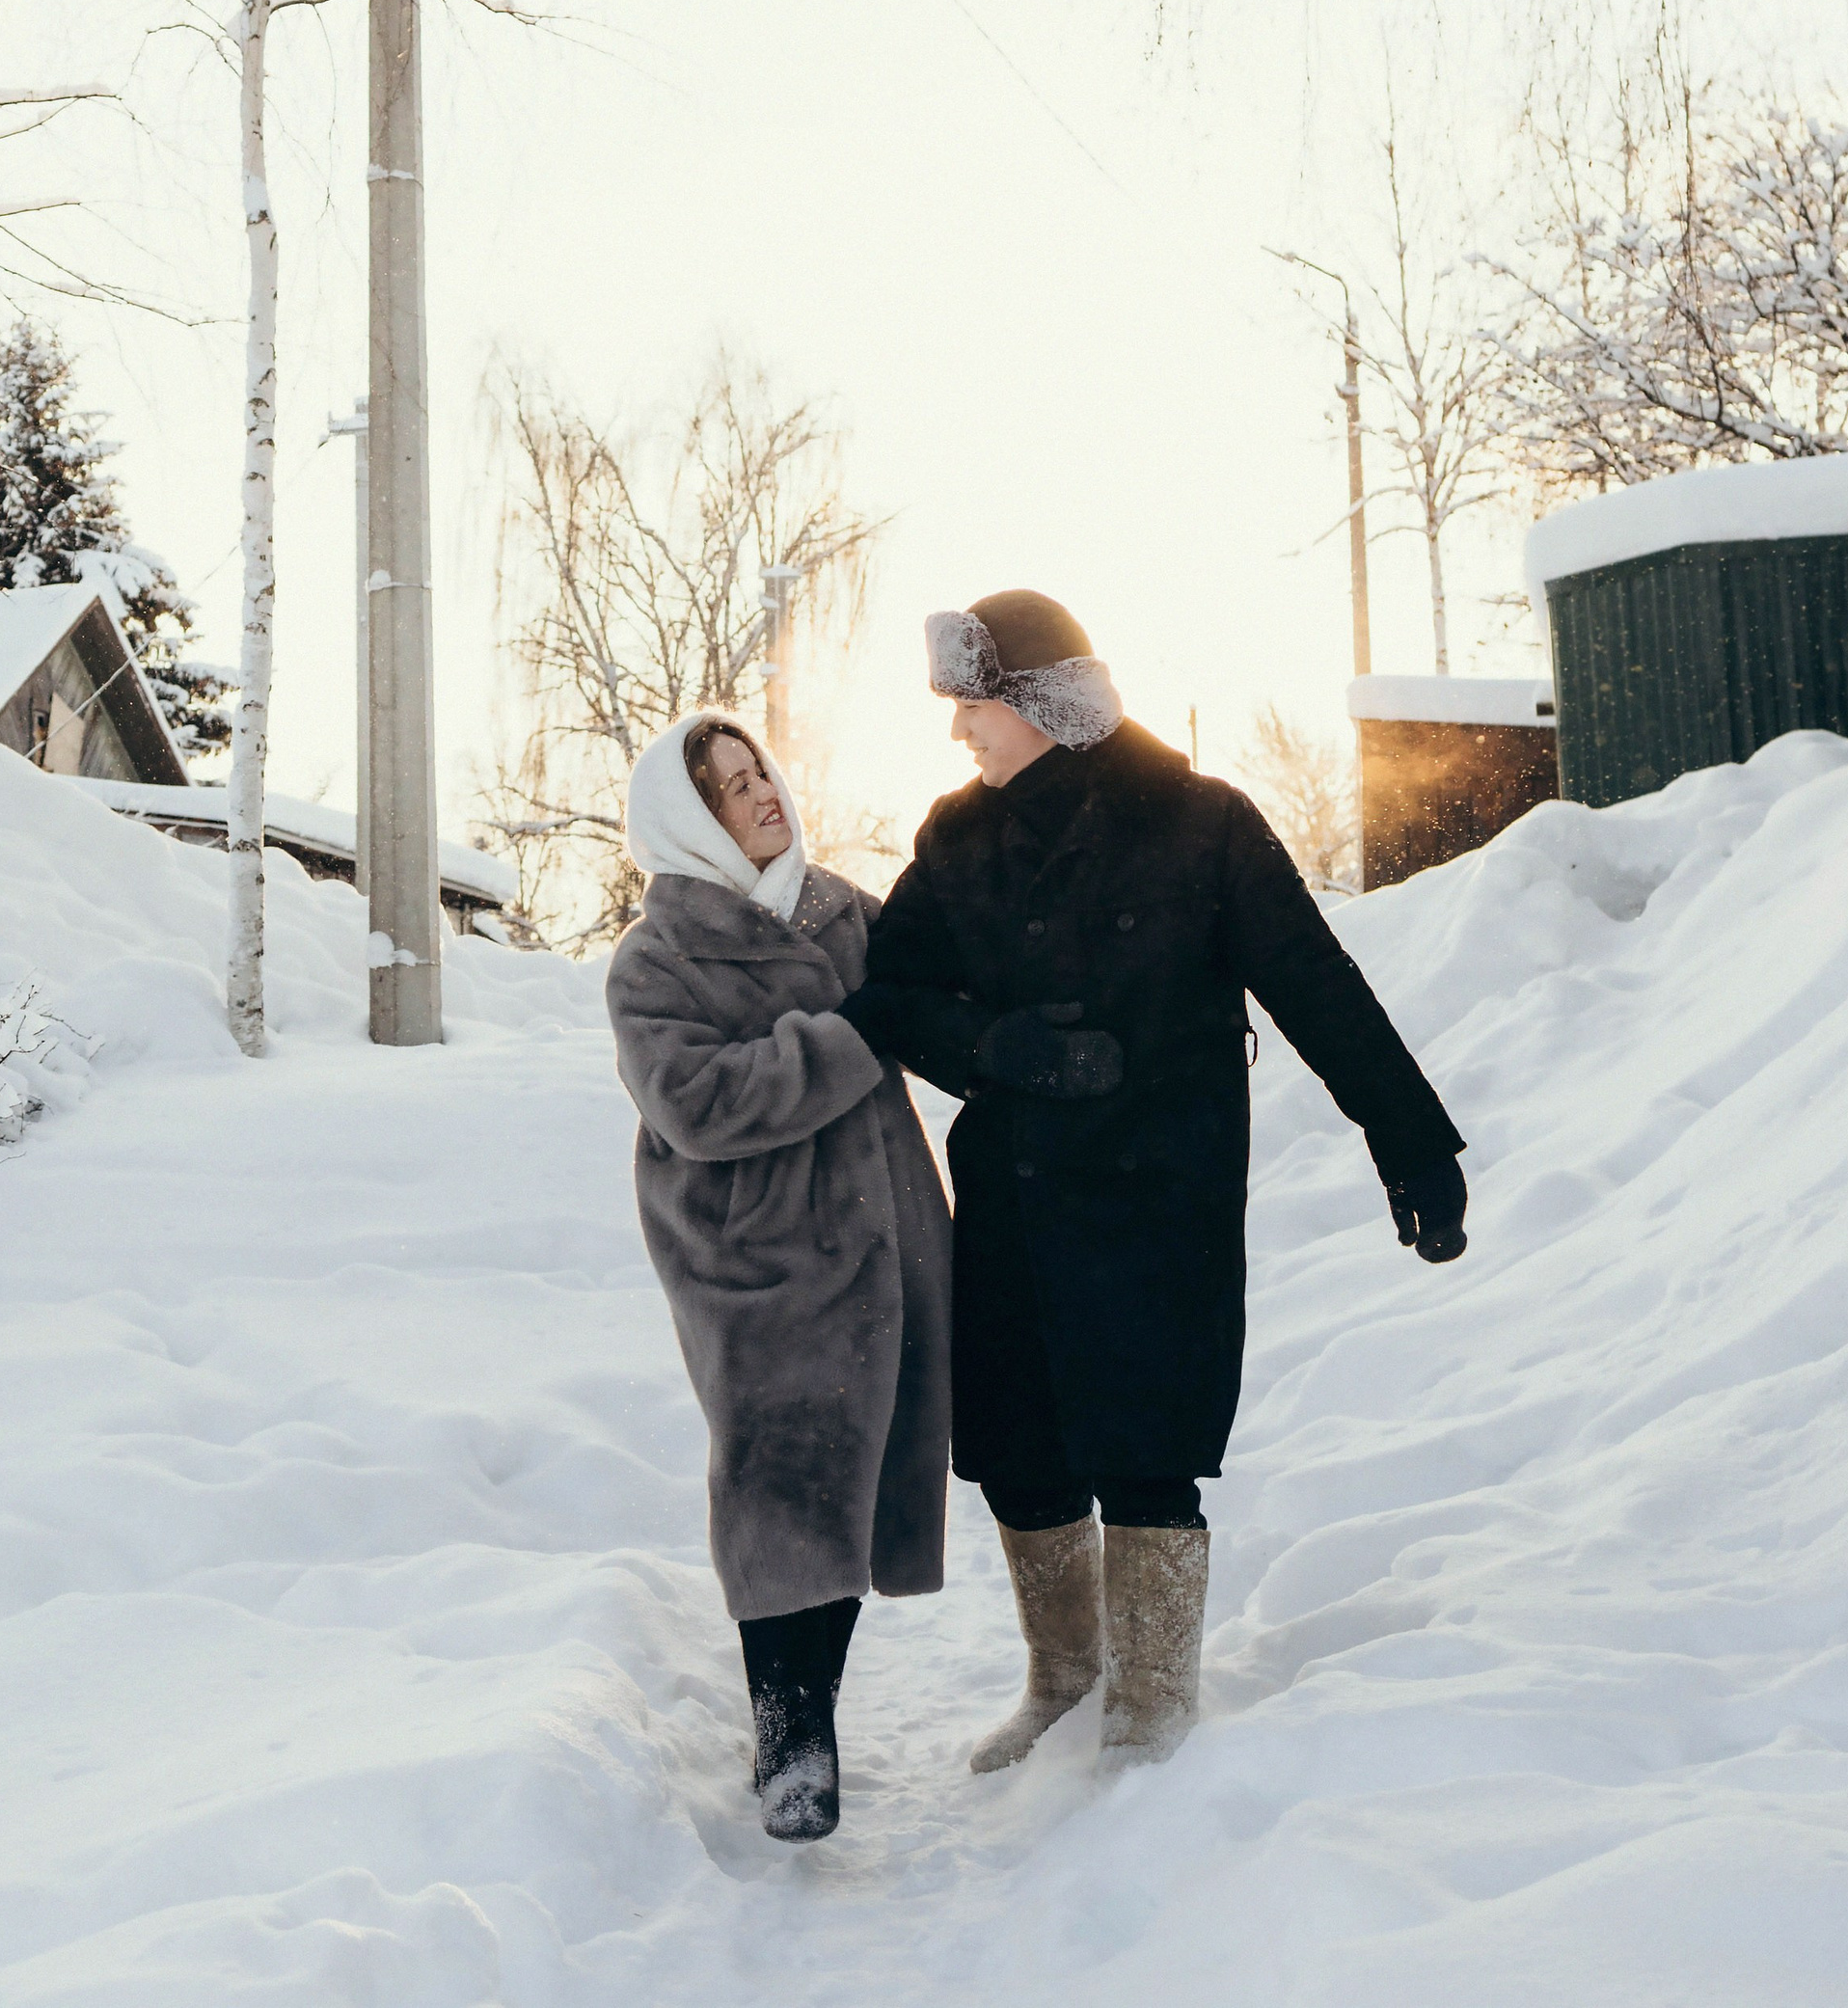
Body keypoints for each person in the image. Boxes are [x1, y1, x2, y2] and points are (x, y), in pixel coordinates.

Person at [843, 590, 1466, 1771]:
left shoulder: (1200, 820)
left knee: (1143, 1447)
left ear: (1036, 701)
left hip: (1154, 1200)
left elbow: (1316, 984)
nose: (959, 732)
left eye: (972, 706)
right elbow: (891, 990)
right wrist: (992, 1048)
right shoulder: (954, 836)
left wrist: (1412, 1142)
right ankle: (1065, 1683)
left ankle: (1149, 1710)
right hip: (1016, 1200)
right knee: (1017, 1449)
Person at [605, 712, 953, 1843]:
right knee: (779, 1481)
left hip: (881, 1236)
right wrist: (849, 1037)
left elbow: (941, 997)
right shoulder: (656, 956)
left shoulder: (842, 907)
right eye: (727, 787)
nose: (761, 795)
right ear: (683, 821)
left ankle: (817, 1715)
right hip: (750, 1254)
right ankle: (789, 1731)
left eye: (759, 773)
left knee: (855, 1485)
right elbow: (694, 1103)